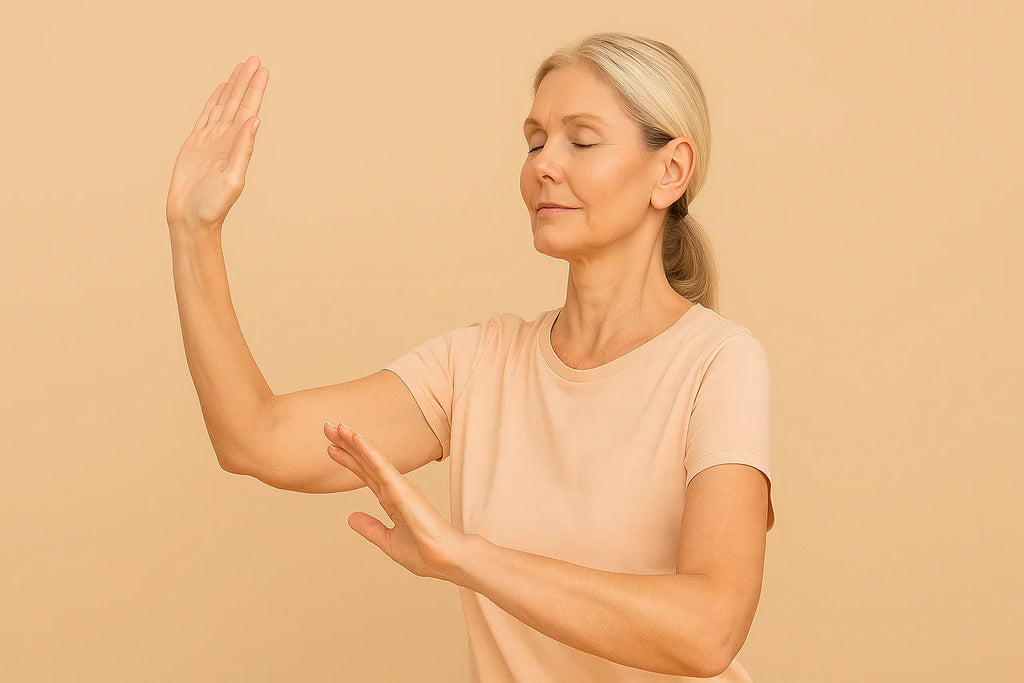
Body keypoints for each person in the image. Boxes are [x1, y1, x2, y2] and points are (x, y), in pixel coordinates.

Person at [166, 32, 774, 683]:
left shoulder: (719, 362)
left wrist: (466, 556)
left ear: (670, 172)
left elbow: (708, 630)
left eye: (582, 139)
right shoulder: (478, 364)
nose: (544, 164)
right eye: (536, 140)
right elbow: (257, 438)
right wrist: (192, 230)